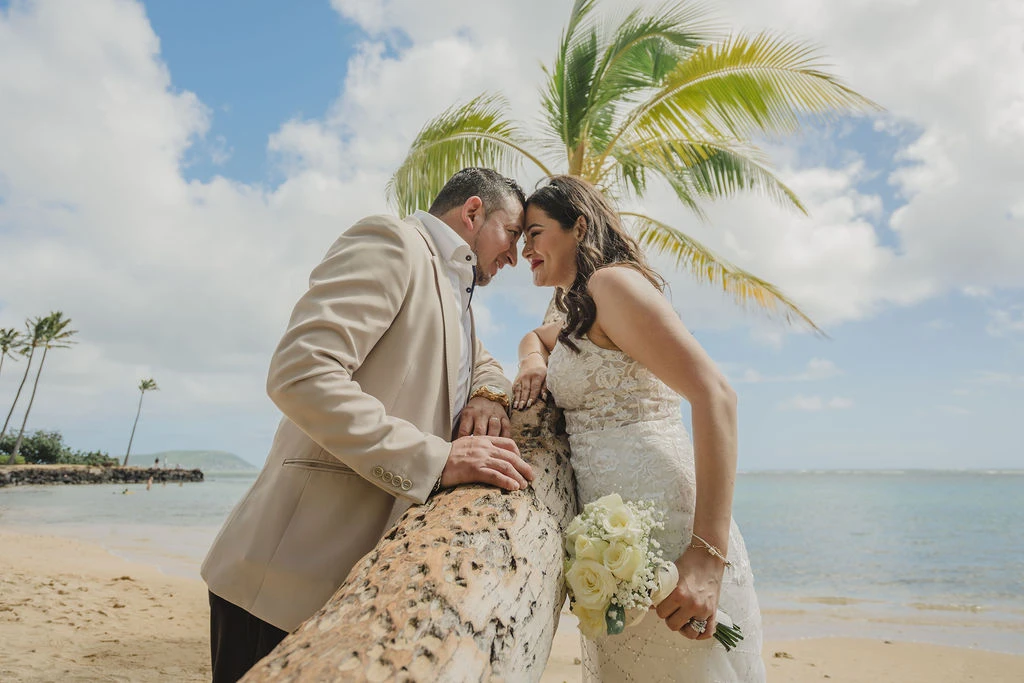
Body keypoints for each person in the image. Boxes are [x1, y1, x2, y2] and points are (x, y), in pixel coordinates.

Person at [201, 168, 535, 683]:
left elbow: (477, 360)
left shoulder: (457, 293)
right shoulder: (393, 242)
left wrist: (489, 392)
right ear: (472, 212)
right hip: (287, 571)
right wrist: (438, 459)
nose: (514, 255)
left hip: (354, 581)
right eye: (513, 234)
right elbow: (301, 373)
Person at [514, 176, 765, 681]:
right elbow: (537, 337)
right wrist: (531, 363)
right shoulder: (578, 305)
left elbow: (716, 396)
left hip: (669, 536)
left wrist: (706, 559)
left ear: (579, 227)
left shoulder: (612, 284)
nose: (525, 250)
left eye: (536, 233)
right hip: (612, 549)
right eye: (521, 237)